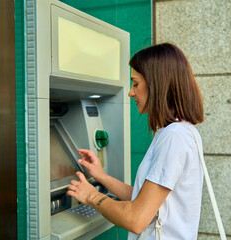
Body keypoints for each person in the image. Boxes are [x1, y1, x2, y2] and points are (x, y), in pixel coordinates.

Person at [67, 43, 205, 239]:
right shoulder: (184, 131)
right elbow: (144, 199)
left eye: (136, 83)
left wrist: (91, 196)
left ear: (157, 84)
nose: (131, 92)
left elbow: (136, 219)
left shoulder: (174, 137)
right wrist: (101, 176)